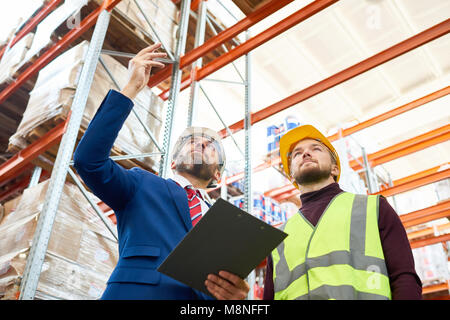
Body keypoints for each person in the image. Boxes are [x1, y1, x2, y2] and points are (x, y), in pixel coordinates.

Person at [73, 43, 249, 300]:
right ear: (174, 163)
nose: (201, 143)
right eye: (192, 141)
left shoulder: (225, 226)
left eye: (211, 145)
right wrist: (131, 88)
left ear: (218, 177)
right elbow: (89, 161)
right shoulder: (142, 184)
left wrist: (236, 299)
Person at [263, 124, 422, 300]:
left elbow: (404, 279)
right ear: (291, 175)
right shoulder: (279, 241)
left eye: (316, 149)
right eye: (297, 154)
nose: (305, 154)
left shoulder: (373, 208)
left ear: (335, 169)